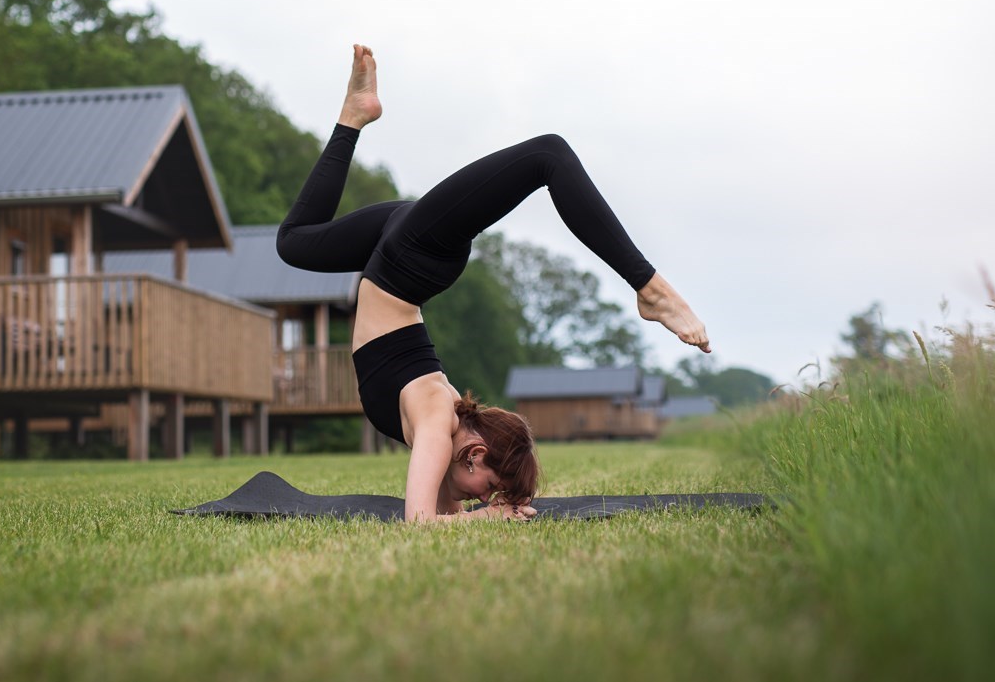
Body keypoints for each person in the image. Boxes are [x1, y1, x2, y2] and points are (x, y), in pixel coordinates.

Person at [277, 45, 710, 522]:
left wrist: (486, 511)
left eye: (486, 498)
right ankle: (649, 287)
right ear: (476, 453)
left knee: (294, 243)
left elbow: (429, 516)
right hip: (409, 260)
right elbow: (421, 526)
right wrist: (483, 518)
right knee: (548, 154)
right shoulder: (440, 418)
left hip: (398, 256)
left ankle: (354, 116)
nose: (481, 500)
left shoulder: (442, 431)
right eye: (489, 489)